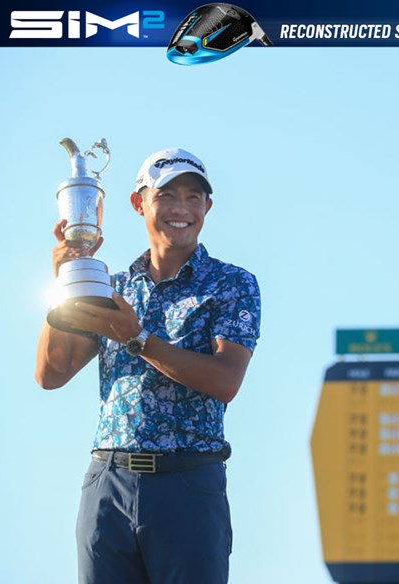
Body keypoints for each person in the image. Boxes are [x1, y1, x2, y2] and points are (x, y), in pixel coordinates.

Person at [34, 147, 261, 584]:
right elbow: (51, 373)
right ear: (139, 203)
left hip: (188, 485)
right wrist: (64, 281)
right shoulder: (110, 286)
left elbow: (225, 379)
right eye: (167, 196)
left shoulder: (232, 283)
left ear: (207, 207)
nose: (182, 209)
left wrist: (137, 339)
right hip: (107, 484)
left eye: (194, 198)